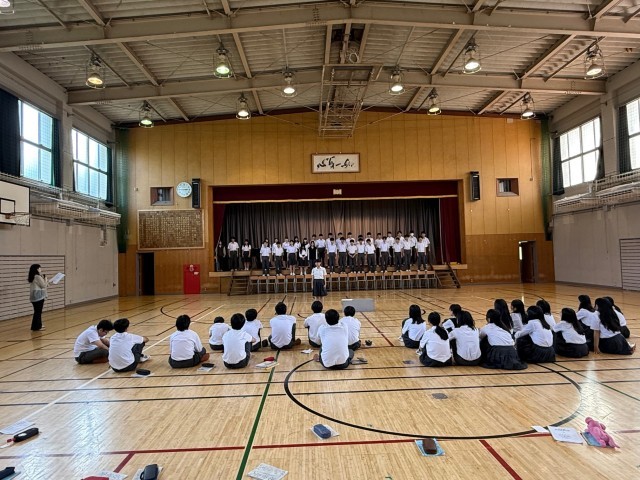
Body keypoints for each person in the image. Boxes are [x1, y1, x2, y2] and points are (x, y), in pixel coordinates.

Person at [28, 264, 49, 331]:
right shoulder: (37, 276)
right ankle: (37, 327)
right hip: (38, 296)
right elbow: (43, 286)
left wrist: (44, 281)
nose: (40, 269)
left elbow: (41, 285)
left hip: (34, 296)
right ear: (36, 269)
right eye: (39, 268)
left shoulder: (33, 276)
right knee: (38, 312)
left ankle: (37, 325)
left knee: (37, 312)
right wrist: (45, 280)